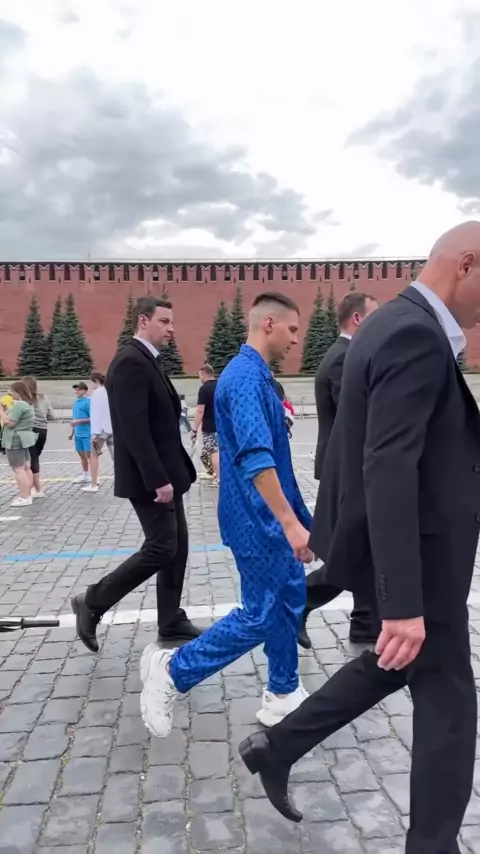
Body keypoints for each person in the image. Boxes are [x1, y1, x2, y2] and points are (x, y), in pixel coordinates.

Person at [237, 222, 480, 854]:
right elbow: (387, 463)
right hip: (422, 559)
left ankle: (277, 746)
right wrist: (401, 602)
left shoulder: (387, 323)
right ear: (467, 264)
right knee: (450, 706)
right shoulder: (414, 334)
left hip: (410, 551)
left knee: (401, 665)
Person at [138, 292, 313, 739]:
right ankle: (173, 669)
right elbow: (257, 458)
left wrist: (301, 520)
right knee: (261, 614)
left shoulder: (255, 375)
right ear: (269, 324)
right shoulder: (244, 378)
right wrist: (289, 522)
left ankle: (283, 691)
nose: (297, 339)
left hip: (269, 518)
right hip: (256, 521)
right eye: (293, 329)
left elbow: (277, 460)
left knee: (288, 600)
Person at [71, 296, 201, 651]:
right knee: (162, 547)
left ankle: (171, 621)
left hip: (168, 474)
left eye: (172, 322)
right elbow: (133, 429)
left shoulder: (147, 360)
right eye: (164, 321)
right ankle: (92, 601)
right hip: (151, 479)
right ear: (143, 321)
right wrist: (157, 479)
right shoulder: (130, 361)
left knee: (177, 548)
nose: (171, 329)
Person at [299, 292, 379, 649]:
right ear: (358, 319)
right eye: (375, 315)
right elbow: (361, 416)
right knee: (351, 548)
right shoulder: (345, 358)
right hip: (348, 468)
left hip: (349, 465)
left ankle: (364, 621)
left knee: (365, 547)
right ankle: (301, 598)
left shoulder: (344, 354)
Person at [0, 381, 36, 506]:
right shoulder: (27, 404)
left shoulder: (19, 405)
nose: (10, 394)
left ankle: (25, 496)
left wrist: (1, 411)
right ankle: (28, 493)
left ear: (18, 392)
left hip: (14, 439)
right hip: (23, 438)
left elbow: (9, 423)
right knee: (26, 467)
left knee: (18, 469)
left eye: (12, 391)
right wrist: (6, 410)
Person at [22, 375, 55, 499]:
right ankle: (34, 487)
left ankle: (37, 489)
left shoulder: (24, 400)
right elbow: (52, 416)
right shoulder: (43, 397)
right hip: (43, 430)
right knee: (35, 458)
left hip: (31, 430)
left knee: (31, 459)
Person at [82, 372, 114, 494]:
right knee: (116, 457)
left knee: (94, 456)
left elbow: (96, 414)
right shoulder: (108, 392)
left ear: (95, 381)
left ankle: (94, 483)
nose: (90, 384)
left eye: (91, 381)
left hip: (99, 430)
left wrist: (95, 433)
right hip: (111, 428)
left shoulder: (96, 394)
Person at [191, 364, 219, 484]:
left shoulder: (204, 389)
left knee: (213, 450)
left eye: (199, 375)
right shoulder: (220, 385)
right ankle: (215, 473)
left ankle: (218, 477)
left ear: (204, 374)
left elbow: (200, 410)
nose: (199, 378)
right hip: (222, 424)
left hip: (210, 425)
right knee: (216, 449)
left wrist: (194, 430)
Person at [69, 382, 91, 485]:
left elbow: (93, 418)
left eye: (79, 389)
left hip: (87, 433)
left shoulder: (88, 402)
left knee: (90, 455)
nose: (76, 391)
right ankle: (85, 474)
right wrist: (72, 432)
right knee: (81, 454)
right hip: (78, 433)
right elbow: (75, 418)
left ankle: (94, 476)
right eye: (76, 389)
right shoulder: (75, 402)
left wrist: (78, 421)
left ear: (85, 391)